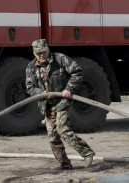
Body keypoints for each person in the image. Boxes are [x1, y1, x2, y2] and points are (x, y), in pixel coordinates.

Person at [25, 39, 95, 170]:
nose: (41, 55)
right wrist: (42, 93)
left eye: (44, 52)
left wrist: (69, 88)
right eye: (38, 53)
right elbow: (29, 87)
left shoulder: (60, 59)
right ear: (34, 53)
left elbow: (77, 72)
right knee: (53, 138)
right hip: (46, 105)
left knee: (62, 129)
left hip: (62, 101)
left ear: (48, 49)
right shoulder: (31, 67)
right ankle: (65, 165)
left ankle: (87, 153)